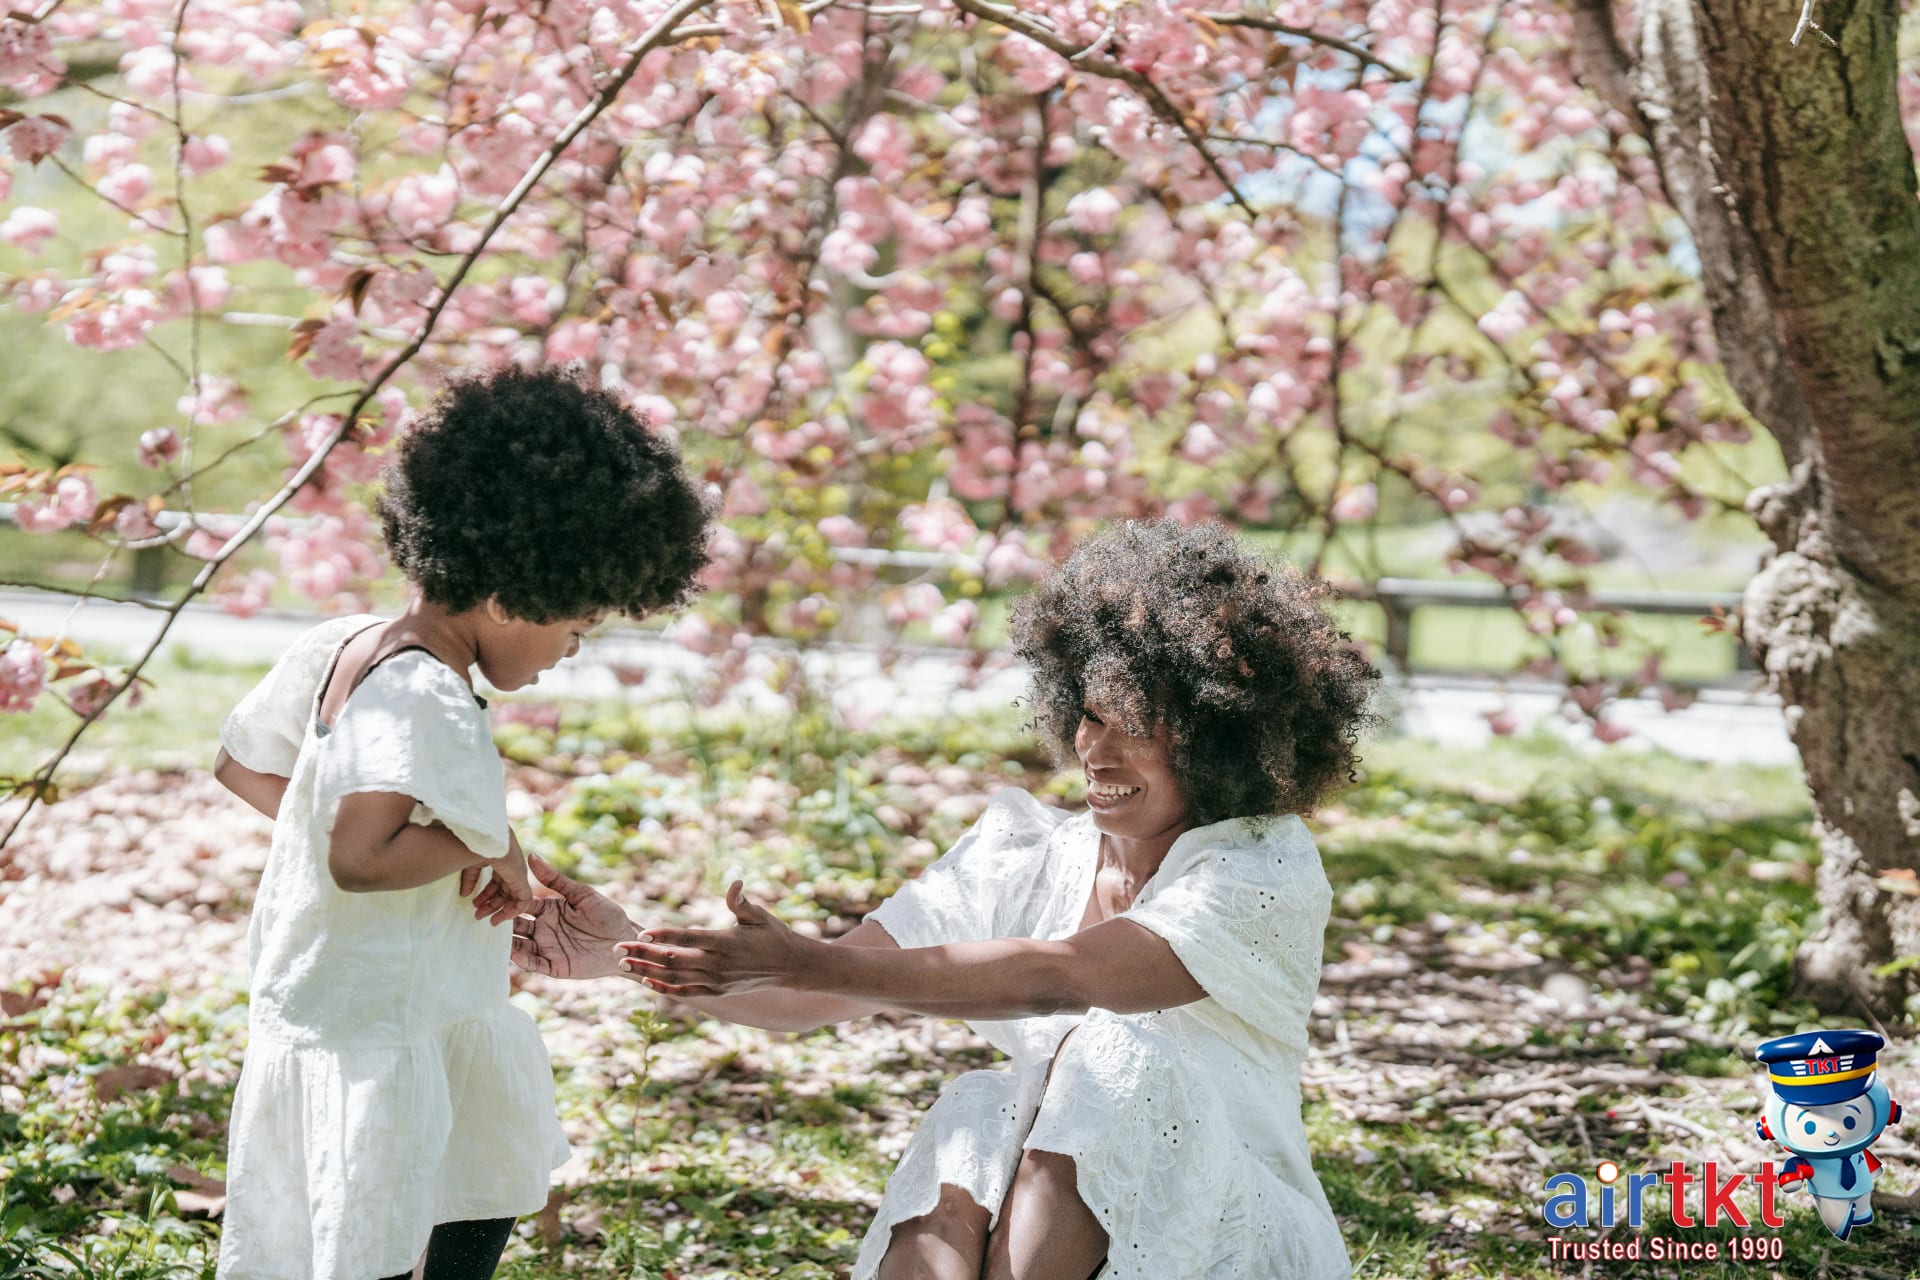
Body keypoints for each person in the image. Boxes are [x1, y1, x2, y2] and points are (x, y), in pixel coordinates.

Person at [511, 518, 1381, 1280]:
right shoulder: (1025, 850)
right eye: (1089, 716)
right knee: (978, 1106)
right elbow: (822, 989)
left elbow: (1065, 975)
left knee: (1116, 1063)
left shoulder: (1260, 868)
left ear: (1221, 734)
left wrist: (808, 954)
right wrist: (625, 951)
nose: (1099, 753)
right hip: (1050, 1230)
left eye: (1142, 727)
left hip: (1226, 1240)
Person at [210, 365, 712, 1280]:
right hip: (388, 1023)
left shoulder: (346, 647)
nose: (572, 649)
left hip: (358, 1005)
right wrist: (487, 845)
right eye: (579, 621)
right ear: (512, 586)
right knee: (415, 1221)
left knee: (433, 1193)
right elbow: (361, 856)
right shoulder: (430, 694)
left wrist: (456, 857)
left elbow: (246, 765)